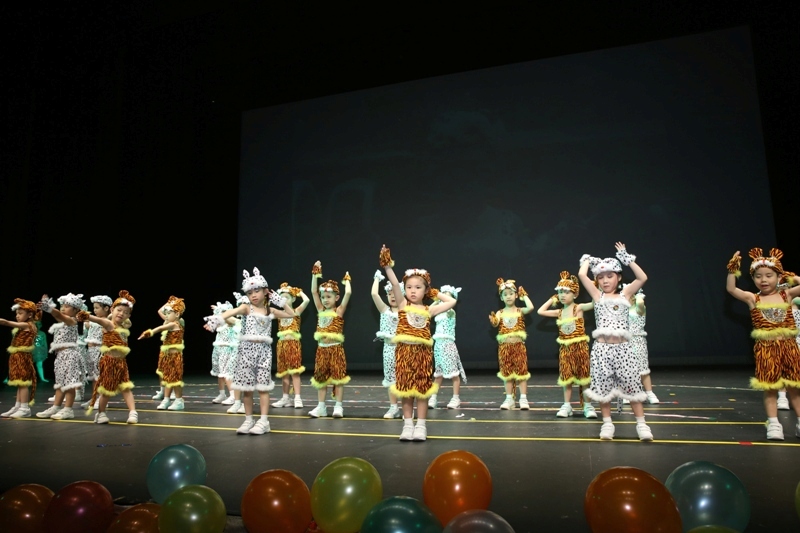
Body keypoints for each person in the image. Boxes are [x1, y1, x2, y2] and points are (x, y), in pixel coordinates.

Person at [204, 268, 295, 435]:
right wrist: (216, 320)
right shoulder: (246, 308)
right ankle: (248, 420)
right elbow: (230, 312)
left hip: (263, 353)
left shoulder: (270, 311)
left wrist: (280, 301)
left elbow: (292, 314)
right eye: (249, 292)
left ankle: (264, 421)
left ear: (265, 291)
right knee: (246, 389)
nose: (253, 295)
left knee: (263, 388)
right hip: (246, 352)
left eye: (257, 291)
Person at [380, 245, 456, 441]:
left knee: (422, 391)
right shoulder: (403, 304)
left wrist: (434, 293)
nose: (413, 291)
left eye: (418, 287)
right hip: (404, 354)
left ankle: (421, 425)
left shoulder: (429, 309)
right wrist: (387, 266)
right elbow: (394, 283)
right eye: (409, 287)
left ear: (425, 290)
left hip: (422, 356)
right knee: (406, 391)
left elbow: (451, 302)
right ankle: (408, 425)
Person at [578, 243, 653, 441]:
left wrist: (626, 258)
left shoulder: (625, 294)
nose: (605, 280)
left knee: (632, 387)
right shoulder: (597, 296)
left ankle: (642, 425)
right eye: (601, 277)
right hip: (602, 350)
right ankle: (607, 424)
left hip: (624, 350)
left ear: (619, 277)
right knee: (603, 389)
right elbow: (582, 275)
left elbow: (642, 278)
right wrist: (587, 260)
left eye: (610, 276)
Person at [726, 249, 800, 440]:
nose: (763, 280)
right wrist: (733, 270)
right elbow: (732, 289)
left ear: (779, 277)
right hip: (767, 350)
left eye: (769, 275)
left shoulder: (786, 295)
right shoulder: (753, 298)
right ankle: (773, 423)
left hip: (789, 348)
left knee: (794, 388)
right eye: (758, 276)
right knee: (770, 388)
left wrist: (793, 278)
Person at [537, 271, 596, 418]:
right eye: (560, 292)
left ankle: (588, 406)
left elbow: (595, 303)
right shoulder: (559, 312)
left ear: (575, 294)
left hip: (580, 348)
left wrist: (594, 287)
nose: (562, 295)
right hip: (565, 349)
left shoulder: (579, 308)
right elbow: (540, 311)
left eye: (566, 292)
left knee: (584, 378)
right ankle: (567, 405)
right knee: (566, 378)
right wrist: (552, 299)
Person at [80, 290, 139, 424]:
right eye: (119, 310)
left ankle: (133, 412)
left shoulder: (124, 325)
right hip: (109, 362)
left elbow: (128, 321)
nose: (121, 314)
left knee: (126, 387)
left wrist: (125, 306)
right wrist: (87, 316)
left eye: (125, 312)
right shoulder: (108, 324)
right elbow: (98, 319)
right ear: (112, 310)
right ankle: (101, 413)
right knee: (107, 390)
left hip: (121, 363)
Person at [308, 262, 352, 418]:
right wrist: (315, 274)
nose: (325, 300)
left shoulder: (339, 311)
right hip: (321, 350)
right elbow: (313, 291)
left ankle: (338, 406)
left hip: (335, 350)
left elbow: (348, 293)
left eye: (328, 297)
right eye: (323, 297)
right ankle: (321, 407)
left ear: (336, 297)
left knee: (338, 378)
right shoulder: (320, 310)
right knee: (321, 379)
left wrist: (347, 281)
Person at [36, 293, 86, 420]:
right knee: (60, 383)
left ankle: (68, 409)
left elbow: (58, 314)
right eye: (62, 306)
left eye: (67, 306)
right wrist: (48, 306)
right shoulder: (64, 321)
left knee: (69, 384)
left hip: (70, 355)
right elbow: (57, 315)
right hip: (60, 356)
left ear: (75, 310)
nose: (63, 308)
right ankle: (56, 407)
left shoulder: (72, 321)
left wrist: (49, 307)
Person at [489, 278, 533, 410]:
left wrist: (524, 295)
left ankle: (523, 398)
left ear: (516, 295)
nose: (508, 296)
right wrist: (493, 321)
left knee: (521, 373)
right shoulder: (500, 312)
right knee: (507, 373)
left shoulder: (520, 311)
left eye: (511, 293)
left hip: (518, 346)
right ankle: (509, 399)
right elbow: (496, 323)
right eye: (505, 294)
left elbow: (531, 307)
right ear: (501, 298)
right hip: (505, 348)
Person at [139, 297, 187, 411]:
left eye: (169, 313)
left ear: (177, 314)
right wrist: (169, 302)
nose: (166, 315)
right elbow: (160, 311)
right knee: (167, 378)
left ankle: (179, 400)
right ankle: (166, 399)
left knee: (175, 379)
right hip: (167, 356)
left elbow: (160, 328)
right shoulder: (170, 321)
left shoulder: (175, 324)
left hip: (175, 357)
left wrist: (149, 332)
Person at [271, 283, 311, 409]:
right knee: (284, 373)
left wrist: (299, 292)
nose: (284, 300)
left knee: (294, 372)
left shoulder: (296, 311)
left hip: (293, 345)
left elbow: (307, 300)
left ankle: (297, 398)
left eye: (287, 297)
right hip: (281, 345)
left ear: (293, 299)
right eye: (282, 298)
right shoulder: (279, 313)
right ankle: (285, 398)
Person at [428, 285, 467, 410]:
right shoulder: (439, 310)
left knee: (453, 373)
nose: (443, 295)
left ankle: (456, 398)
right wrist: (436, 300)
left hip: (448, 344)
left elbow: (449, 303)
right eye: (443, 293)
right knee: (438, 374)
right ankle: (433, 397)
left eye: (447, 294)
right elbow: (428, 311)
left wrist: (439, 294)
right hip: (438, 345)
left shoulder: (451, 312)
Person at [0, 299, 40, 418]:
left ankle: (24, 408)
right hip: (17, 356)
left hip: (22, 356)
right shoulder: (27, 324)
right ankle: (18, 406)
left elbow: (6, 323)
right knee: (19, 382)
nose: (17, 316)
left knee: (23, 383)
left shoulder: (27, 325)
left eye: (20, 313)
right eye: (16, 313)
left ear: (30, 315)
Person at [371, 270, 401, 418]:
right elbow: (374, 294)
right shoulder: (384, 310)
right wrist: (377, 278)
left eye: (394, 293)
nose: (392, 296)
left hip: (404, 349)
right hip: (389, 349)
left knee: (405, 378)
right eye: (389, 294)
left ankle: (408, 408)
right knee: (390, 379)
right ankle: (393, 407)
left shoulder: (406, 311)